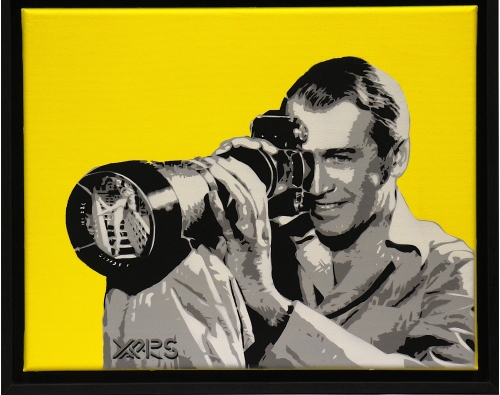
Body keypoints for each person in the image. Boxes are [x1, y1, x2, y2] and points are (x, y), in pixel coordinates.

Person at [100, 57, 474, 369]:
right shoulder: (253, 240)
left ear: (396, 158)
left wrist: (271, 306)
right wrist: (207, 205)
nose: (317, 185)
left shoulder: (450, 269)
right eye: (303, 160)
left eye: (340, 157)